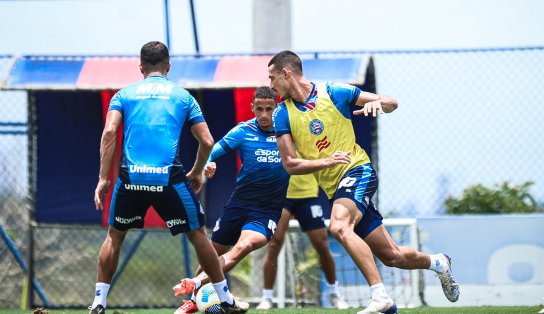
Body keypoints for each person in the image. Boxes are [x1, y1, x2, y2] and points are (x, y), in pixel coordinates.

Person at [267, 50, 460, 314]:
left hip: (358, 171)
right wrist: (325, 162)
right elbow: (290, 164)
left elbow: (392, 102)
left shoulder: (334, 92)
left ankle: (381, 297)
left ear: (286, 74)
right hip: (336, 189)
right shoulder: (282, 114)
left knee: (338, 226)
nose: (271, 85)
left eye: (272, 78)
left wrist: (378, 104)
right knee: (391, 256)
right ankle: (438, 262)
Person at [90, 41, 247, 314]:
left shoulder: (123, 95)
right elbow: (208, 141)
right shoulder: (183, 96)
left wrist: (104, 178)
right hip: (169, 179)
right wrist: (197, 172)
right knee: (198, 235)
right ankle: (226, 300)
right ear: (168, 66)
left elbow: (109, 133)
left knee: (115, 236)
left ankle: (98, 303)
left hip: (131, 177)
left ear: (140, 67)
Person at [171, 86, 291, 313]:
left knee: (244, 245)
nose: (264, 115)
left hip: (266, 210)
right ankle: (195, 301)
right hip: (239, 204)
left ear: (276, 108)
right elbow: (211, 152)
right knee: (212, 252)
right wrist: (207, 165)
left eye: (269, 109)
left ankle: (195, 285)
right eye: (259, 109)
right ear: (252, 108)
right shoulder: (242, 131)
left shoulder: (287, 134)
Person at [256, 173, 348, 310]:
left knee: (322, 246)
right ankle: (267, 297)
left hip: (308, 196)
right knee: (274, 244)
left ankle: (335, 294)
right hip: (282, 196)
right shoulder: (277, 149)